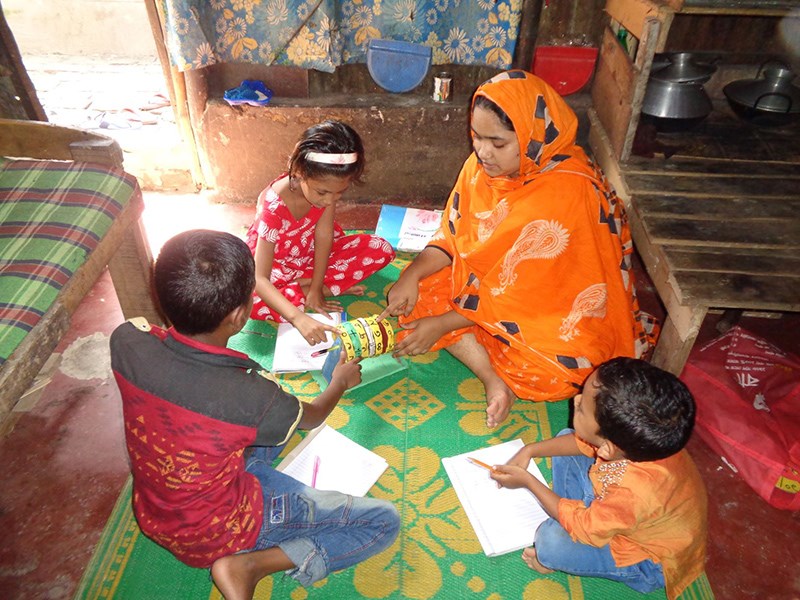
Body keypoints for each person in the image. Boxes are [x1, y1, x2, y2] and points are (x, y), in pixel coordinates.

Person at [109, 229, 400, 600]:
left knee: (256, 432)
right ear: (239, 315)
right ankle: (251, 564)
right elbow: (311, 417)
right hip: (221, 529)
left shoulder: (127, 340)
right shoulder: (252, 396)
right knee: (382, 521)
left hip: (156, 513)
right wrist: (339, 383)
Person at [379, 70, 658, 428]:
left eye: (498, 143)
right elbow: (452, 236)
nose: (482, 152)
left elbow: (531, 294)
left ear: (531, 137)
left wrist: (444, 323)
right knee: (416, 296)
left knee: (559, 379)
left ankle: (475, 344)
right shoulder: (481, 170)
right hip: (488, 293)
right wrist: (411, 274)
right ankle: (493, 378)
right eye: (476, 137)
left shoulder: (568, 192)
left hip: (553, 307)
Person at [489, 357, 709, 600]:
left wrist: (529, 481)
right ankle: (573, 515)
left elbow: (589, 527)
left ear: (607, 449)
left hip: (645, 560)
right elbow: (583, 444)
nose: (576, 400)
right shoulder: (637, 445)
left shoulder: (636, 491)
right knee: (565, 439)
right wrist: (529, 450)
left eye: (582, 408)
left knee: (549, 542)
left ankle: (566, 539)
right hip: (628, 511)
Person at [245, 119, 395, 347]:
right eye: (323, 192)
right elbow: (259, 278)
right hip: (276, 265)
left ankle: (306, 290)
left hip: (311, 254)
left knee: (380, 249)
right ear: (298, 172)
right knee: (247, 299)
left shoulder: (328, 192)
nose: (330, 201)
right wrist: (299, 319)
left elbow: (324, 236)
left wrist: (316, 288)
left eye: (339, 193)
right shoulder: (273, 205)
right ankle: (313, 288)